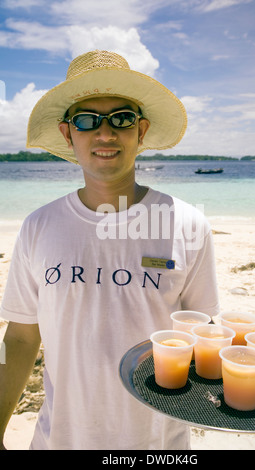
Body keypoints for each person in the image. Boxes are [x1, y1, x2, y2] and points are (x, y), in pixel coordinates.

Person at [0, 50, 219, 450]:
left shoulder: (187, 224)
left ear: (141, 130)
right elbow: (19, 338)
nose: (105, 134)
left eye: (121, 118)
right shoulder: (39, 226)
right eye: (87, 121)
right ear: (69, 134)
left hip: (159, 445)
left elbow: (205, 336)